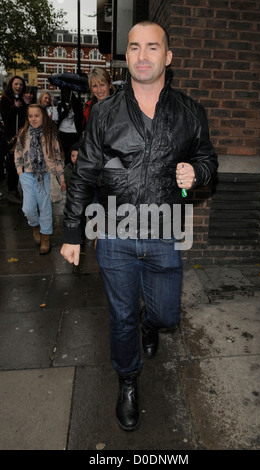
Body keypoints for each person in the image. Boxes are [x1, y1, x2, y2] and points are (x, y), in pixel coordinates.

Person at [60, 21, 218, 431]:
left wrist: (198, 173)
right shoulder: (105, 113)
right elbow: (85, 175)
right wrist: (73, 232)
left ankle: (153, 323)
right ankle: (128, 380)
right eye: (134, 47)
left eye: (152, 47)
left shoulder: (190, 112)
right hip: (114, 231)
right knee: (121, 314)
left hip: (166, 231)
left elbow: (209, 162)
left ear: (168, 57)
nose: (142, 55)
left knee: (165, 315)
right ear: (125, 56)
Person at [14, 104, 66, 254]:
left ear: (43, 116)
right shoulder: (23, 133)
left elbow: (57, 158)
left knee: (45, 208)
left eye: (37, 115)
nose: (33, 119)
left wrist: (61, 178)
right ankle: (35, 226)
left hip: (45, 175)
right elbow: (17, 153)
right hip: (27, 175)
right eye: (30, 116)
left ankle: (45, 236)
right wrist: (19, 172)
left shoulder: (50, 134)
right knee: (28, 208)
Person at [0, 75, 27, 204]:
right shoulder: (5, 99)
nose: (18, 87)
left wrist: (25, 105)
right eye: (16, 84)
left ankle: (15, 188)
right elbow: (5, 117)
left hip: (20, 137)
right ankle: (11, 191)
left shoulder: (22, 99)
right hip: (10, 138)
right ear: (11, 85)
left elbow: (25, 118)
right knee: (11, 164)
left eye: (21, 85)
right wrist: (14, 107)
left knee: (19, 163)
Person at [52, 87, 83, 165]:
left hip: (73, 131)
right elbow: (57, 119)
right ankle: (66, 168)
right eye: (63, 93)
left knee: (73, 152)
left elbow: (80, 118)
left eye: (67, 93)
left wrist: (74, 107)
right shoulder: (60, 105)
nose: (65, 95)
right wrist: (66, 110)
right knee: (64, 152)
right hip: (63, 131)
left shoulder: (77, 104)